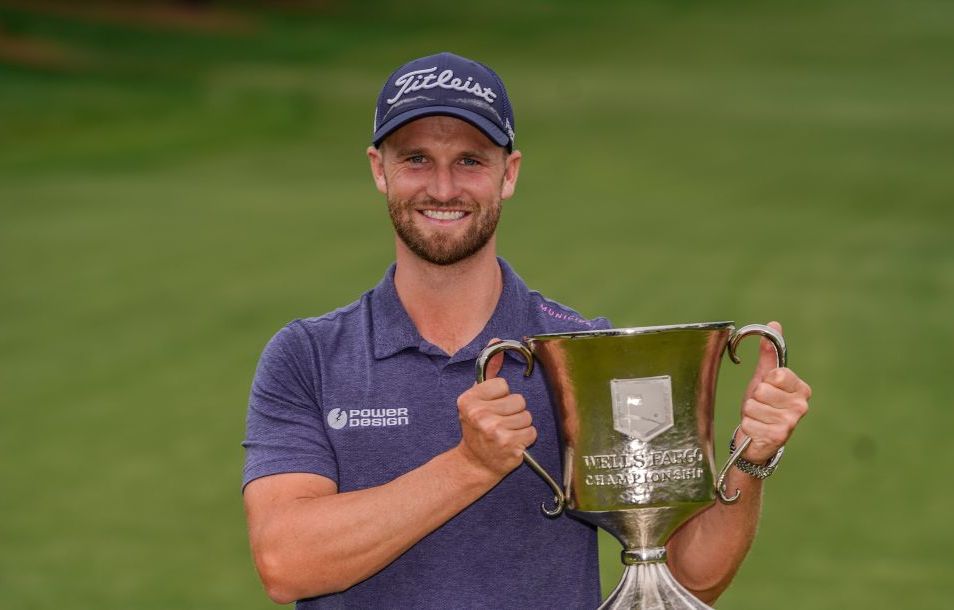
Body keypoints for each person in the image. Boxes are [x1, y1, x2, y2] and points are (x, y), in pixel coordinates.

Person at [242, 52, 811, 609]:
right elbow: (286, 563)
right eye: (416, 159)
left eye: (470, 161)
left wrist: (750, 457)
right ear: (378, 170)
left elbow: (689, 578)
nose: (443, 188)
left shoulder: (582, 357)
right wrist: (470, 466)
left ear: (508, 174)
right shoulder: (308, 356)